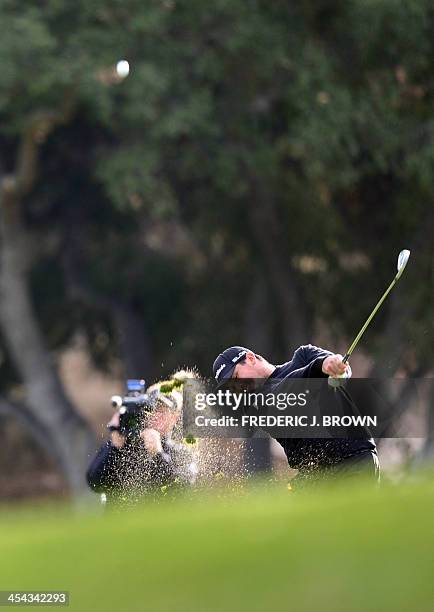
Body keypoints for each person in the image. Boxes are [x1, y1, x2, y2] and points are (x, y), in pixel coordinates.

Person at [212, 345, 380, 486]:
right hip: (315, 476)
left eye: (235, 377)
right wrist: (318, 367)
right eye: (230, 387)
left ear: (250, 358)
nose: (236, 388)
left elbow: (340, 369)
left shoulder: (304, 355)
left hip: (353, 460)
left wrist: (338, 370)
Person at [87, 371, 198, 506]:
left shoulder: (181, 453)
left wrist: (158, 454)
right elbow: (94, 483)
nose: (155, 414)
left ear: (174, 418)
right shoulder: (124, 445)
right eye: (152, 408)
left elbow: (180, 493)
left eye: (162, 410)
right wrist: (114, 448)